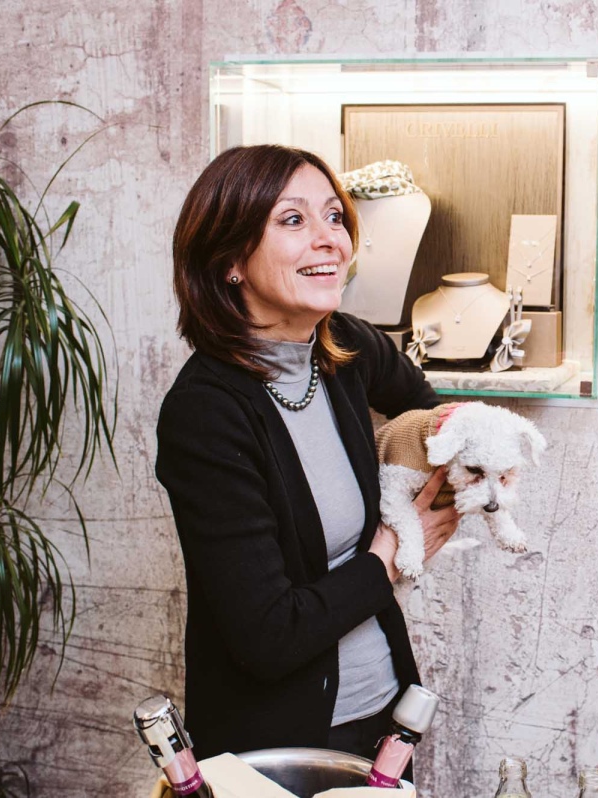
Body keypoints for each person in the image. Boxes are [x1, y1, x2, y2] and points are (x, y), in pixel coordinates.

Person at [156, 144, 459, 759]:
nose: (330, 239)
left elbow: (430, 418)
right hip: (279, 742)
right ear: (230, 260)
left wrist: (433, 475)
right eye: (293, 219)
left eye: (335, 216)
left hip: (388, 713)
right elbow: (269, 636)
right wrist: (393, 553)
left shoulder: (344, 346)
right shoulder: (205, 414)